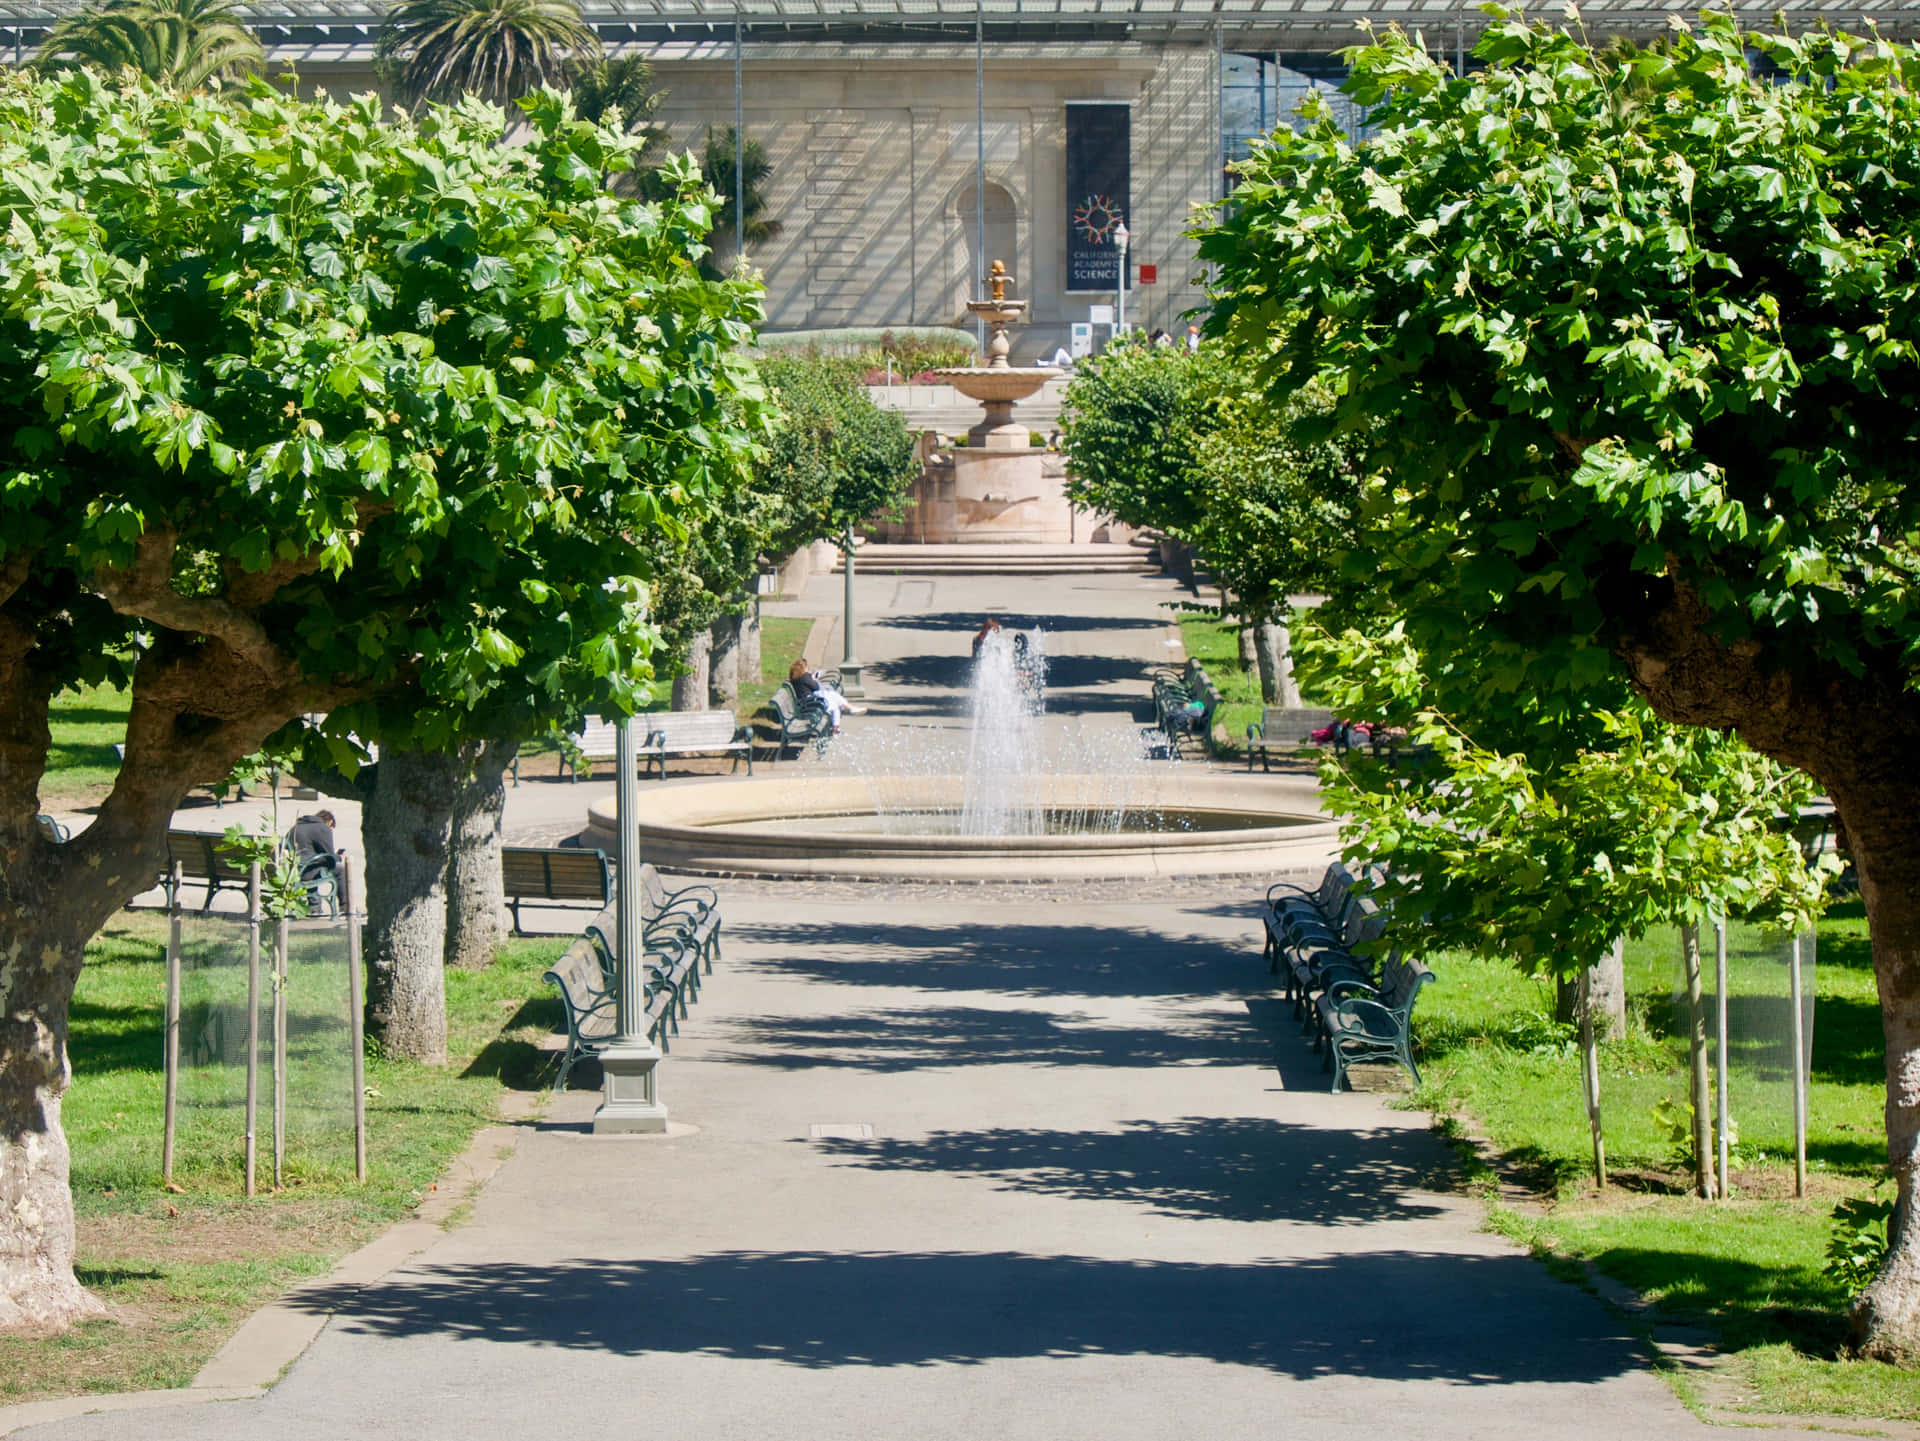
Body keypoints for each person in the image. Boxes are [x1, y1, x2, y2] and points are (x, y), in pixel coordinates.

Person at [788, 658, 864, 730]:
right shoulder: (804, 677)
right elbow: (816, 687)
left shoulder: (796, 678)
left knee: (833, 699)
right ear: (803, 669)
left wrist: (812, 678)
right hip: (810, 704)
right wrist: (814, 679)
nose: (808, 670)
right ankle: (847, 709)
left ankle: (845, 712)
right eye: (806, 668)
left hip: (807, 702)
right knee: (833, 700)